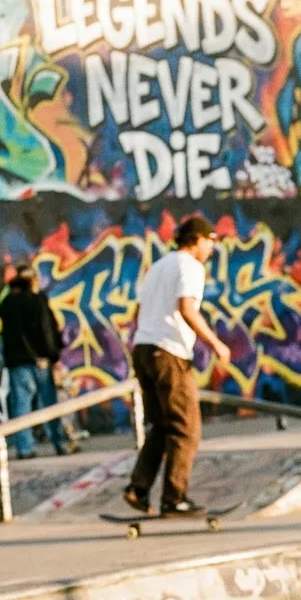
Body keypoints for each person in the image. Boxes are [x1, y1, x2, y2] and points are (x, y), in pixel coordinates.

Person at [122, 216, 231, 516]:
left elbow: (138, 312)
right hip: (168, 353)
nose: (211, 249)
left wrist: (149, 334)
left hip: (144, 349)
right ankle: (174, 498)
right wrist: (216, 344)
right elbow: (187, 308)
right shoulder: (191, 266)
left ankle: (138, 489)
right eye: (210, 242)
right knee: (187, 428)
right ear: (196, 240)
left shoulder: (158, 266)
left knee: (161, 425)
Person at [0, 266, 79, 458]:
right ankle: (59, 443)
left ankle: (25, 448)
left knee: (21, 405)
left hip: (17, 361)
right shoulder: (37, 301)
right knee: (49, 404)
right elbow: (46, 329)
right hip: (40, 359)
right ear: (32, 280)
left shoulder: (7, 303)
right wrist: (54, 355)